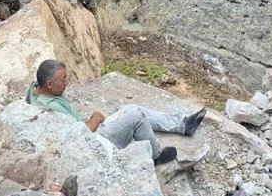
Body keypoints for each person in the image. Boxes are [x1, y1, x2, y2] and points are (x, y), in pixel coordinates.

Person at [26, 59, 207, 165]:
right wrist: (94, 119)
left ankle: (182, 124)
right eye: (63, 80)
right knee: (134, 115)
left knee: (128, 110)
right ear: (49, 84)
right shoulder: (52, 108)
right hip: (90, 142)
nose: (66, 82)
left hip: (85, 130)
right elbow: (79, 134)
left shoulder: (35, 89)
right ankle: (156, 154)